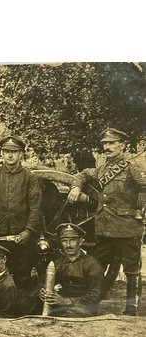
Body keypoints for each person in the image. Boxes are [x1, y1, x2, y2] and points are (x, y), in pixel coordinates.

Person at [67, 128, 146, 316]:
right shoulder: (102, 168)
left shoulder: (132, 167)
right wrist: (76, 187)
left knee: (132, 271)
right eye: (105, 144)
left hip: (127, 228)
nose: (107, 147)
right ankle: (92, 305)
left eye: (112, 143)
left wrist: (140, 209)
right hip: (104, 229)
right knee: (97, 267)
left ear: (123, 145)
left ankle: (131, 309)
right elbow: (84, 174)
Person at [0, 135, 42, 296]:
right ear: (1, 153)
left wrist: (28, 231)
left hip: (21, 234)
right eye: (6, 151)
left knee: (22, 273)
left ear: (21, 154)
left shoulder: (30, 178)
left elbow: (36, 208)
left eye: (14, 152)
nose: (10, 155)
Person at [36, 223, 104, 317]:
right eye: (64, 241)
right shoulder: (57, 263)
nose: (68, 245)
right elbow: (41, 285)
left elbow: (95, 296)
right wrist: (42, 292)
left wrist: (68, 301)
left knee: (70, 315)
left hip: (82, 307)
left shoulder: (92, 265)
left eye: (72, 240)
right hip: (58, 305)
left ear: (80, 242)